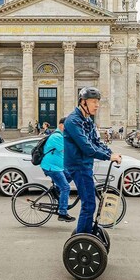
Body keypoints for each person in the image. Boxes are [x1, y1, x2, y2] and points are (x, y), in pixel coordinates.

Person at [64, 87, 121, 235]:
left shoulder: (87, 120)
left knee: (90, 203)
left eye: (98, 102)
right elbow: (87, 148)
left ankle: (85, 234)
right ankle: (82, 238)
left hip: (85, 165)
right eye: (94, 102)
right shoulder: (73, 121)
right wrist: (108, 157)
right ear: (83, 102)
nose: (97, 105)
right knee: (89, 204)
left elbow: (96, 142)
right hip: (78, 166)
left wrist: (110, 152)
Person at [42, 117, 75, 222]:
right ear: (61, 125)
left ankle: (56, 190)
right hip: (52, 167)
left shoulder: (61, 136)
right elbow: (67, 151)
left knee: (71, 174)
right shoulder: (57, 136)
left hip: (58, 166)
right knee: (66, 188)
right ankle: (62, 213)